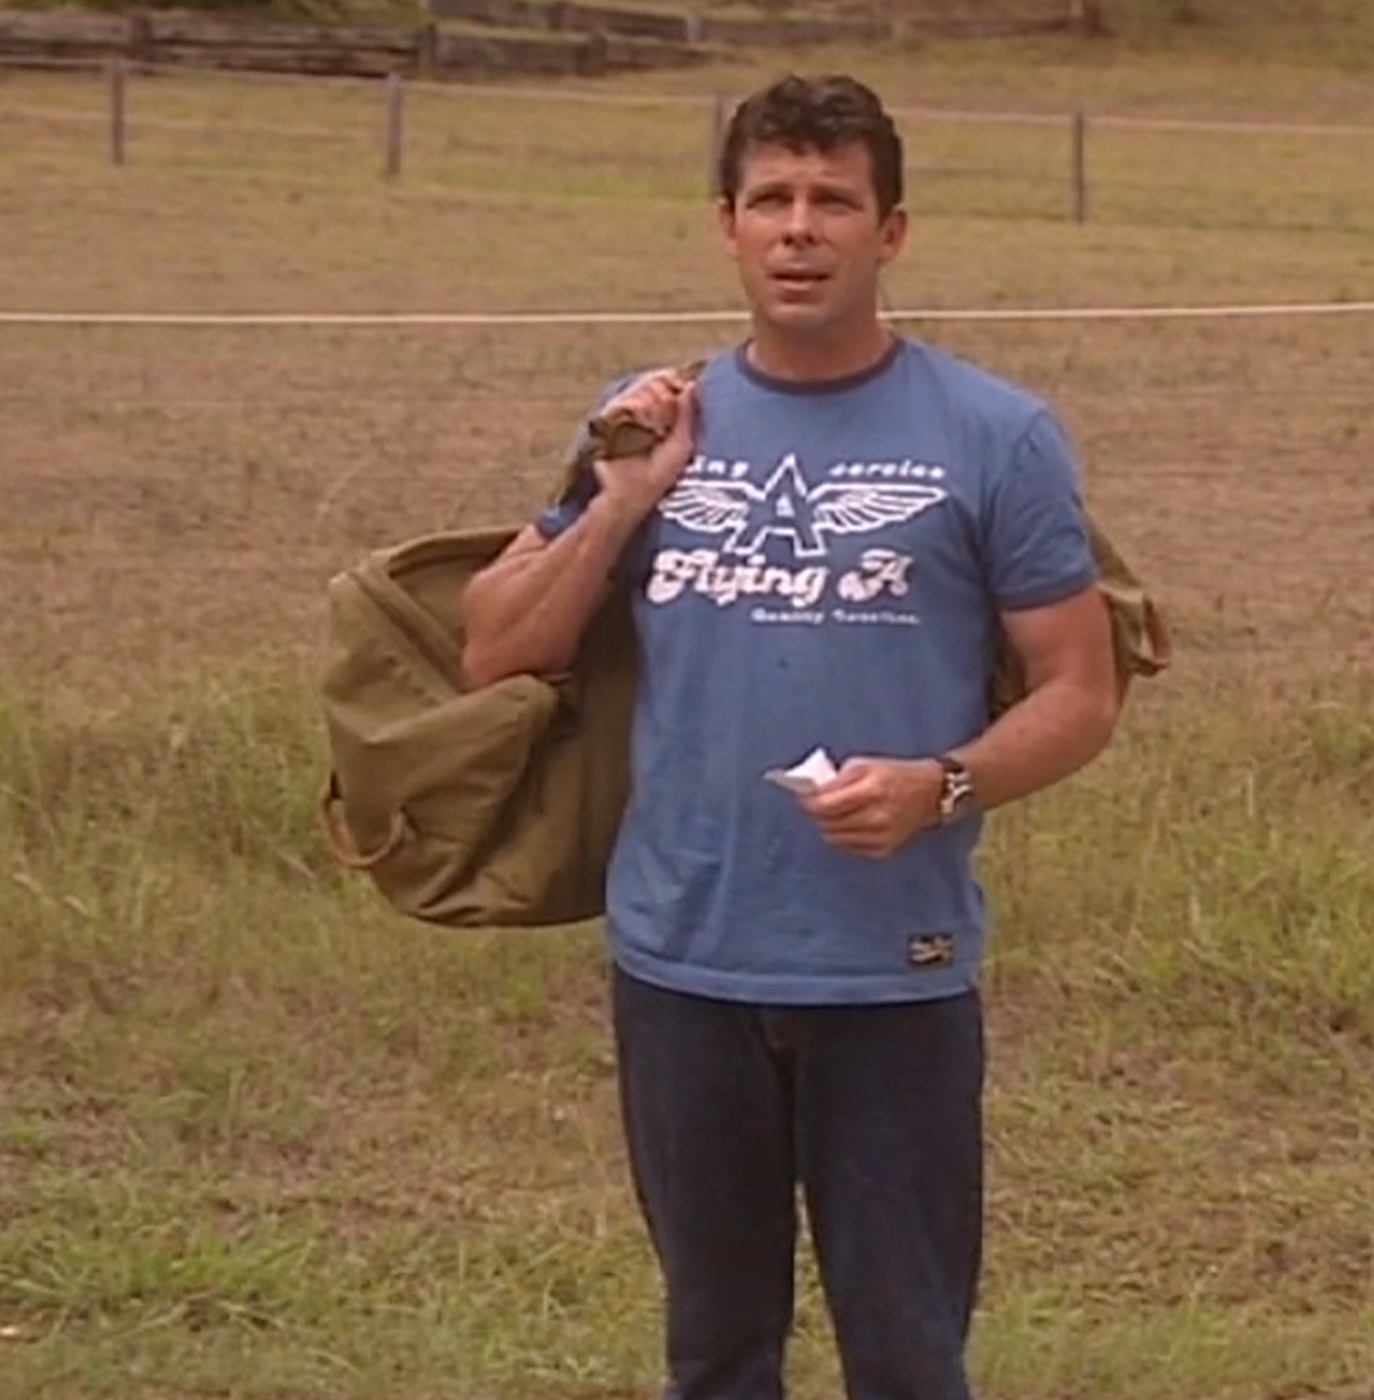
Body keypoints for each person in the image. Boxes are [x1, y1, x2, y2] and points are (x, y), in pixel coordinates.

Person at [455, 72, 1122, 1400]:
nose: (801, 228)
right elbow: (495, 644)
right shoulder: (647, 417)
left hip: (893, 974)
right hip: (682, 959)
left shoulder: (994, 436)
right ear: (727, 225)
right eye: (772, 199)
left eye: (834, 200)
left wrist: (943, 785)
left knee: (910, 1359)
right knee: (713, 1354)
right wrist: (624, 496)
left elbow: (1079, 694)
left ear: (893, 232)